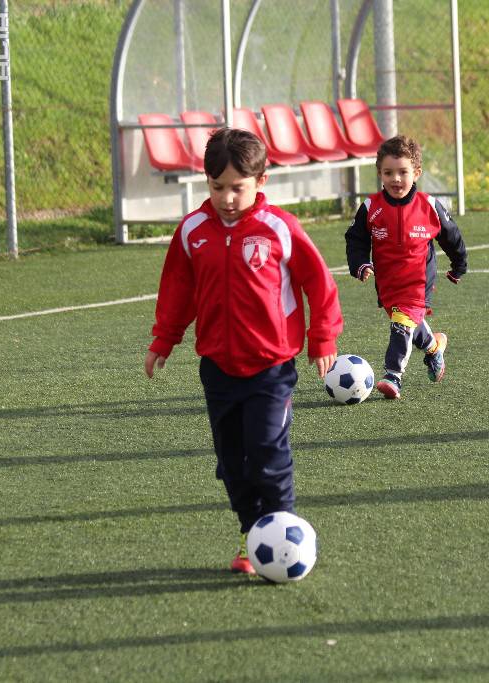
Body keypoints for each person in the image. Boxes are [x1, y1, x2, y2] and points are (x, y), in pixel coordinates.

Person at [144, 128, 343, 574]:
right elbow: (177, 289)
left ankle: (282, 534)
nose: (228, 197)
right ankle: (250, 531)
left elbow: (319, 283)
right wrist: (164, 338)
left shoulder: (279, 228)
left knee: (268, 454)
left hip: (271, 367)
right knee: (232, 464)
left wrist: (322, 339)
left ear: (261, 181)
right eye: (218, 187)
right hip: (217, 368)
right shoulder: (193, 231)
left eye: (238, 187)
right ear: (206, 182)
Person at [345, 135, 468, 400]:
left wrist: (459, 265)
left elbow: (452, 236)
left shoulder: (430, 206)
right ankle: (435, 347)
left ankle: (393, 376)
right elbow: (355, 239)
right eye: (388, 173)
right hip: (389, 284)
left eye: (403, 172)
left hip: (417, 284)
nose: (396, 179)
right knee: (406, 323)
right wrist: (360, 263)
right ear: (379, 173)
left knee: (401, 325)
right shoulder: (371, 207)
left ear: (417, 173)